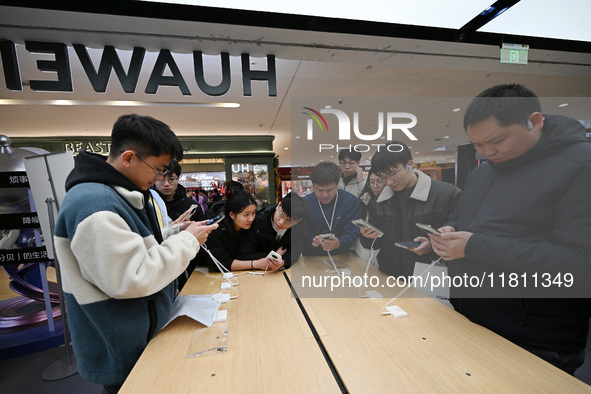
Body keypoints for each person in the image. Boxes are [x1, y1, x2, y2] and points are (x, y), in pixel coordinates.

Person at [428, 83, 591, 375]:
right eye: (477, 145)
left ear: (535, 121)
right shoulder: (482, 172)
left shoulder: (580, 166)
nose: (487, 152)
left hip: (533, 337)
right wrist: (449, 230)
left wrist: (474, 245)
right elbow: (463, 215)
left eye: (497, 141)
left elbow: (581, 262)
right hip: (471, 318)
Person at [53, 114, 218, 392]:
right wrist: (187, 241)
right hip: (123, 347)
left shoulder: (115, 194)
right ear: (128, 157)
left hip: (139, 336)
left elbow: (131, 248)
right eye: (157, 169)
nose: (158, 179)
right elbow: (131, 278)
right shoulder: (94, 204)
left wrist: (175, 234)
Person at [360, 141, 460, 277]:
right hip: (390, 276)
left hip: (431, 277)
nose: (389, 182)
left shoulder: (446, 195)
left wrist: (432, 247)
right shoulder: (379, 202)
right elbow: (376, 245)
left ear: (409, 165)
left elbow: (462, 240)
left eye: (392, 174)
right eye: (383, 178)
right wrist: (367, 236)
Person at [197, 189, 273, 271]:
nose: (251, 219)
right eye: (246, 214)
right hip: (205, 272)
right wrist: (255, 264)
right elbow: (220, 264)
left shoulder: (253, 224)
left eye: (253, 213)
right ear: (232, 215)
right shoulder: (215, 229)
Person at [238, 192, 309, 271]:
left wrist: (283, 262)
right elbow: (243, 254)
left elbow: (295, 251)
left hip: (280, 272)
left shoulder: (300, 226)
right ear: (278, 205)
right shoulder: (258, 221)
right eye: (281, 215)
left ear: (298, 221)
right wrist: (275, 255)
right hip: (256, 271)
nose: (281, 222)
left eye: (289, 221)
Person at [302, 162, 361, 256]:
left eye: (330, 190)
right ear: (313, 187)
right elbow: (303, 231)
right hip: (312, 255)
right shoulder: (305, 203)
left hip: (342, 255)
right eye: (320, 190)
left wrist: (339, 243)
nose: (325, 195)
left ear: (337, 185)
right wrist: (313, 241)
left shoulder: (351, 202)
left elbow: (353, 232)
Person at [354, 167, 386, 263]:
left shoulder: (392, 202)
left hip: (382, 251)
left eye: (380, 181)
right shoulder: (364, 200)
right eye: (371, 182)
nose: (375, 186)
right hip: (363, 249)